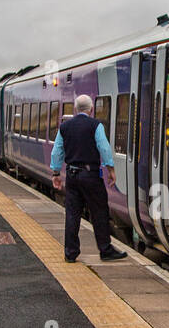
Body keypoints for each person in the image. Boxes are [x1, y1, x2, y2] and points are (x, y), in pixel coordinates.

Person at [50, 94, 128, 263]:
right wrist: (111, 169)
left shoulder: (65, 127)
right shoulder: (95, 125)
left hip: (72, 175)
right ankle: (105, 250)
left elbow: (56, 152)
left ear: (76, 109)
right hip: (91, 175)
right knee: (99, 212)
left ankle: (70, 253)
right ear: (91, 109)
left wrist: (56, 174)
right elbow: (104, 148)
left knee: (72, 214)